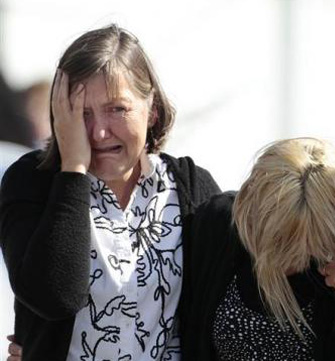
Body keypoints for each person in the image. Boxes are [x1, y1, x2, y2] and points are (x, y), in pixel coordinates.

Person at [0, 24, 220, 361]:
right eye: (81, 113)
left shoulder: (191, 188)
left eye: (117, 109)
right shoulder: (32, 181)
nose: (100, 132)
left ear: (152, 110)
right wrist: (73, 168)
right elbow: (54, 296)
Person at [180, 138, 335, 360]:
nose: (288, 259)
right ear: (251, 209)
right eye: (278, 240)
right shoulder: (218, 226)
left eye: (302, 246)